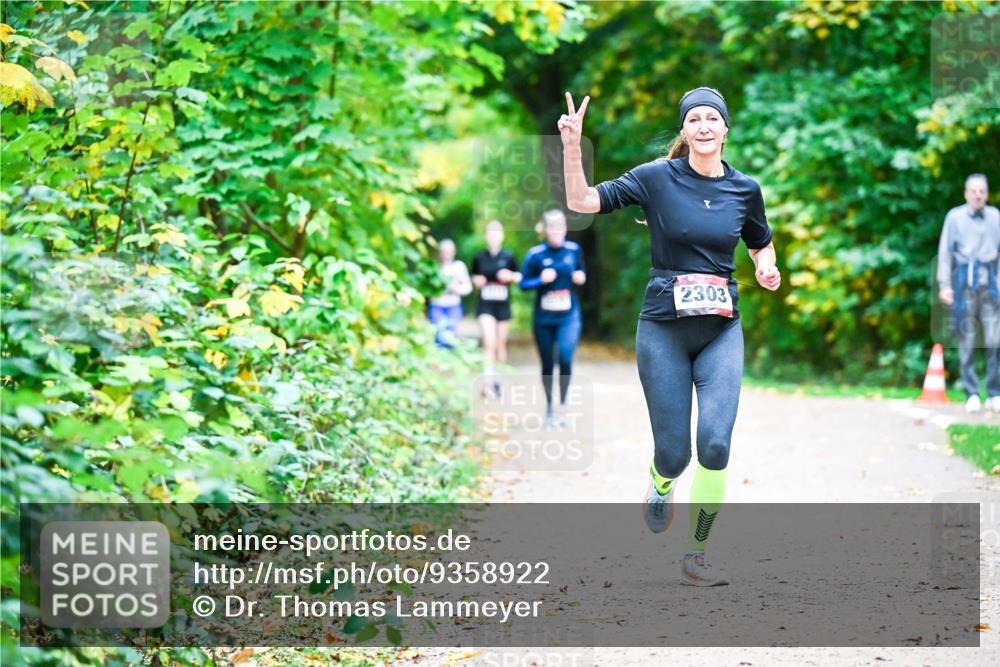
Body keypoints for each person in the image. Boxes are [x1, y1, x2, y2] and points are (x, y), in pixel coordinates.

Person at [559, 87, 780, 586]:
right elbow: (583, 201)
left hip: (722, 329)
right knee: (676, 453)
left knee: (716, 446)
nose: (704, 126)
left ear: (726, 130)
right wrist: (573, 148)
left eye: (712, 119)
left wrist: (767, 268)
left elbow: (760, 241)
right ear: (685, 130)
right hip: (663, 329)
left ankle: (697, 555)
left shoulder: (745, 189)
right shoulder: (656, 178)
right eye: (694, 119)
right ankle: (661, 483)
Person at [937, 174, 1000, 413]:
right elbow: (945, 252)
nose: (978, 195)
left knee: (994, 341)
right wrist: (944, 284)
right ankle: (971, 393)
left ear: (987, 194)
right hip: (964, 285)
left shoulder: (996, 217)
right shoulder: (954, 217)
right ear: (966, 193)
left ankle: (994, 392)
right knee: (967, 340)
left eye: (982, 191)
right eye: (973, 191)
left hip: (991, 285)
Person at [519, 209, 586, 427]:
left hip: (569, 316)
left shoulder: (574, 250)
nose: (557, 231)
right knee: (548, 364)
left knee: (565, 358)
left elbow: (582, 272)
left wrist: (580, 277)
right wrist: (540, 279)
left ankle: (563, 407)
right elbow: (522, 283)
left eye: (561, 227)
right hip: (543, 318)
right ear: (545, 230)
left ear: (565, 229)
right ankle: (549, 406)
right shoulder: (536, 254)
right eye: (552, 227)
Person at [472, 221, 522, 398]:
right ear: (486, 236)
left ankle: (498, 381)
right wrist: (477, 281)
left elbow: (519, 277)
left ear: (502, 235)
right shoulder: (479, 257)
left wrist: (510, 276)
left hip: (502, 305)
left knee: (500, 345)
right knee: (489, 343)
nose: (493, 236)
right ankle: (487, 384)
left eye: (496, 233)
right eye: (490, 233)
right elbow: (475, 277)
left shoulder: (509, 256)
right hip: (485, 304)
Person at [428, 238, 472, 349]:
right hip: (436, 305)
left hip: (453, 306)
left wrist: (455, 288)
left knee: (451, 335)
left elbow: (468, 287)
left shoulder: (459, 266)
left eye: (449, 251)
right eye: (444, 251)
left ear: (454, 252)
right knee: (438, 335)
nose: (446, 254)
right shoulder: (433, 266)